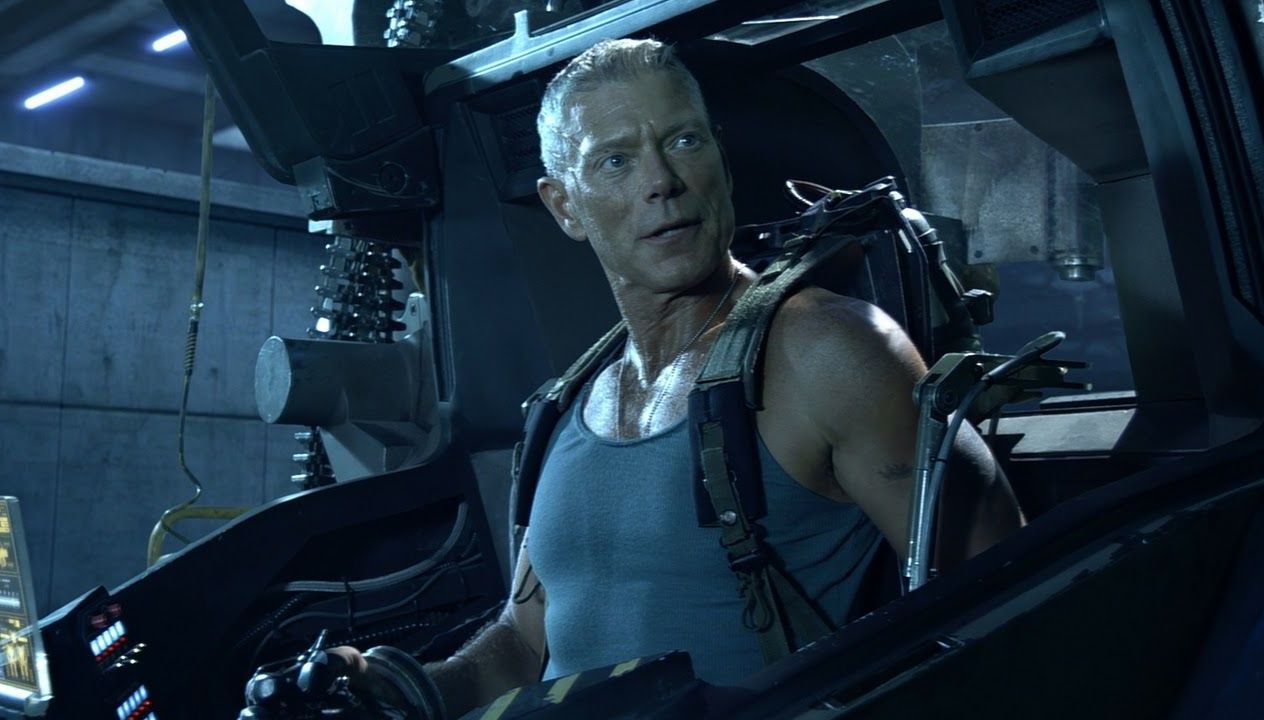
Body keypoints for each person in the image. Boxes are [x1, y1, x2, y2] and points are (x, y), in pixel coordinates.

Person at [329, 37, 1024, 718]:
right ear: (565, 206)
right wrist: (408, 690)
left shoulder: (829, 350)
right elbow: (521, 643)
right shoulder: (565, 407)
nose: (661, 181)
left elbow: (1010, 604)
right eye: (616, 160)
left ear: (720, 159)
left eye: (684, 141)